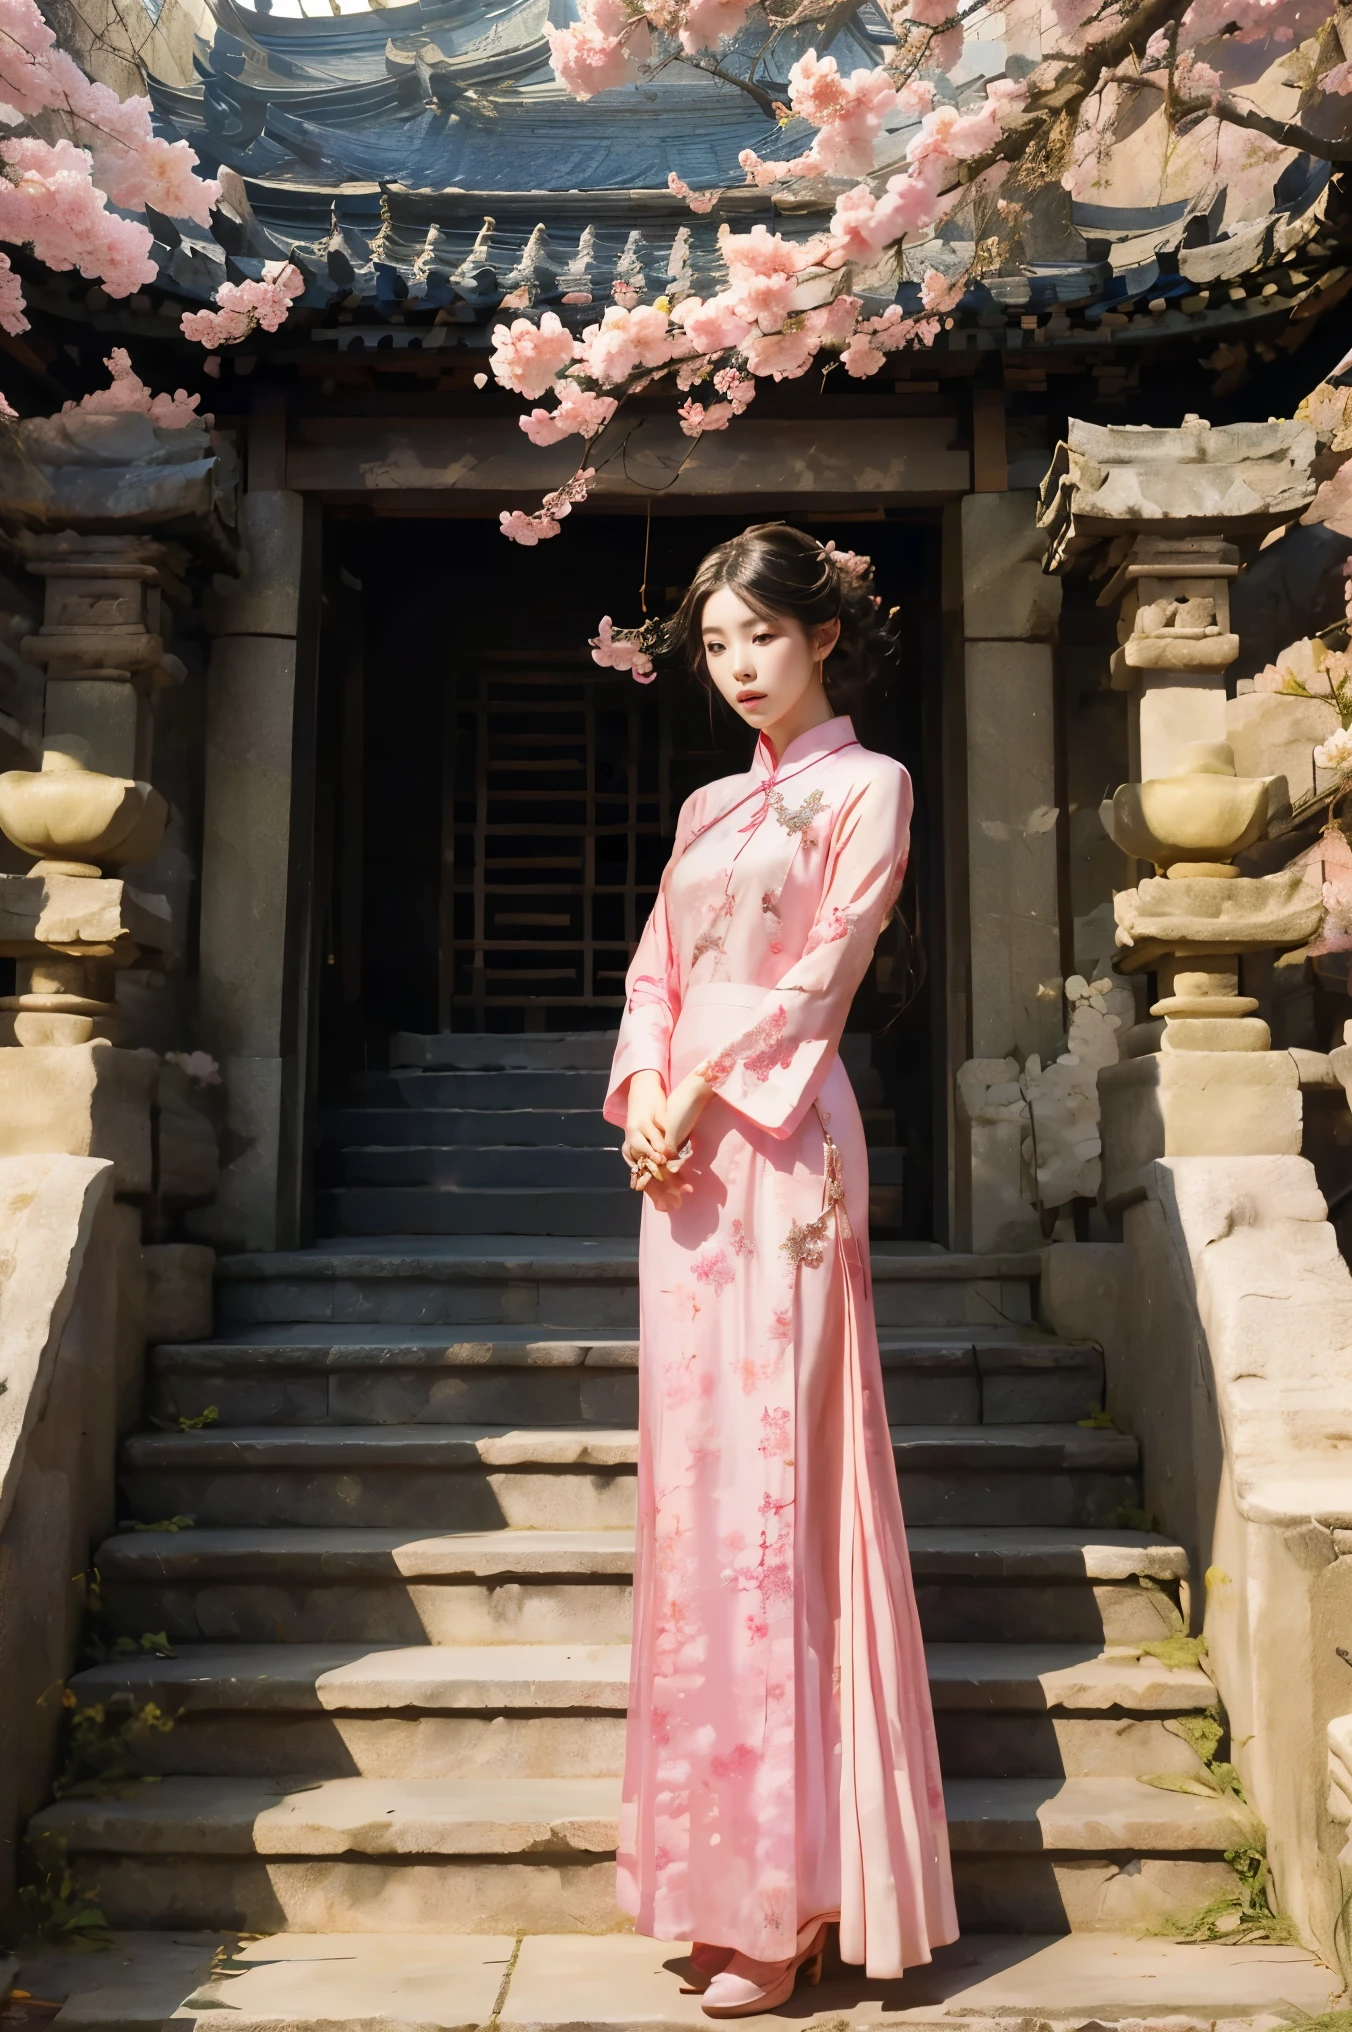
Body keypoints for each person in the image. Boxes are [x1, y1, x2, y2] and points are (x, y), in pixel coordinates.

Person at [602, 524, 958, 2019]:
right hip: (680, 1170)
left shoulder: (867, 790)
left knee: (775, 1500)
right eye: (718, 646)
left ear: (824, 637)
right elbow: (651, 974)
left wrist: (706, 1085)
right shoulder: (700, 806)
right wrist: (642, 1095)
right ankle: (706, 1876)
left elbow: (828, 967)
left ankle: (793, 1897)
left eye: (765, 637)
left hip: (782, 1147)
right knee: (695, 1509)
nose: (741, 667)